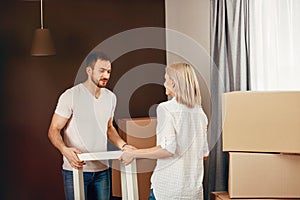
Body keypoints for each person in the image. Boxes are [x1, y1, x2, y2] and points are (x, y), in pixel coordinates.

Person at [48, 52, 135, 200]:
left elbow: (109, 128)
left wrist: (124, 145)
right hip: (76, 169)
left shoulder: (110, 97)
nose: (106, 75)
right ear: (89, 71)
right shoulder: (71, 95)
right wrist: (65, 150)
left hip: (102, 170)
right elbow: (53, 130)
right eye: (101, 70)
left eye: (108, 71)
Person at [120, 62, 209, 200]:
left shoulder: (166, 109)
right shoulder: (200, 113)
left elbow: (168, 150)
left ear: (173, 83)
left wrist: (133, 153)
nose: (164, 83)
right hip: (193, 192)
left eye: (165, 79)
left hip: (168, 191)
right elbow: (204, 154)